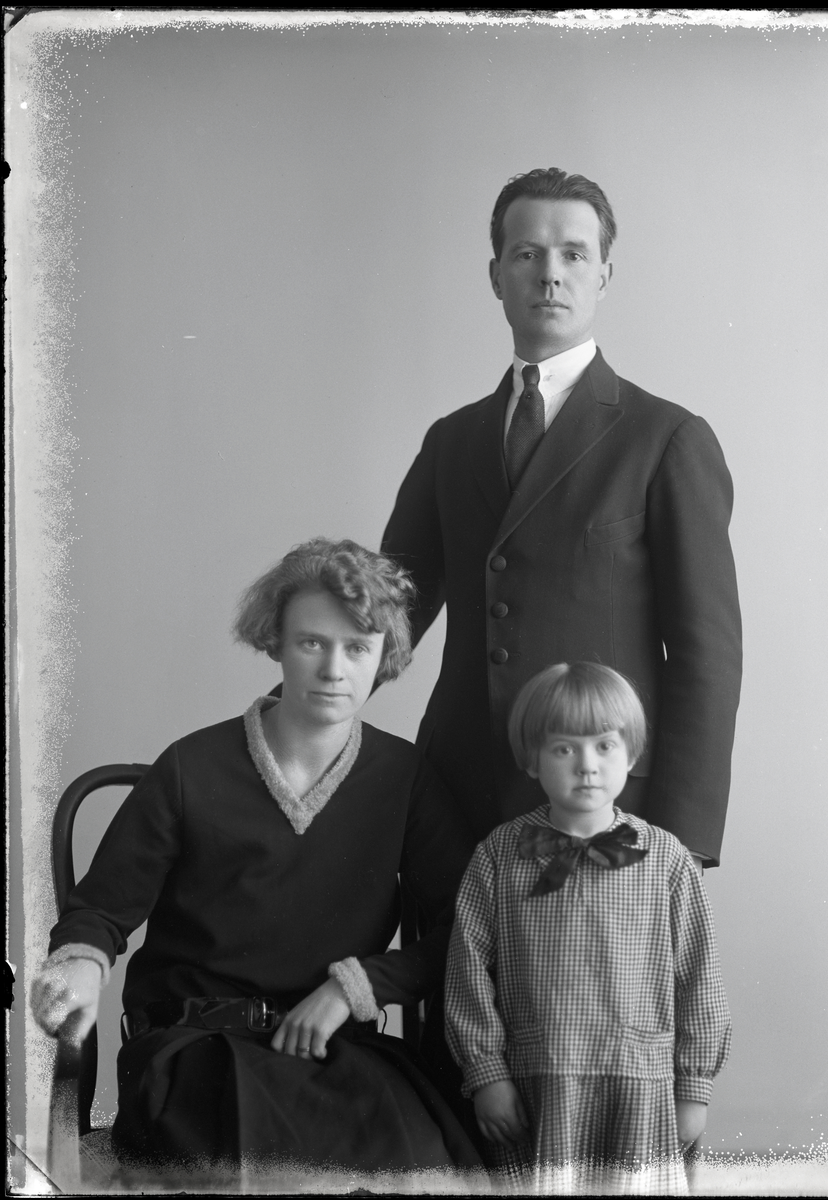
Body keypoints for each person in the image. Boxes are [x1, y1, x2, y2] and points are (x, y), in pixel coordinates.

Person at [30, 538, 482, 1182]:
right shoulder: (190, 767)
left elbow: (467, 929)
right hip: (194, 1053)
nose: (334, 669)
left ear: (384, 655)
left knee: (426, 1172)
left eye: (357, 648)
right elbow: (101, 910)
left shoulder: (404, 777)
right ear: (275, 641)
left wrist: (357, 987)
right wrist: (79, 963)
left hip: (335, 1051)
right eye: (312, 643)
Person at [382, 167, 742, 869]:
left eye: (573, 254)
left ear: (603, 275)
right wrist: (285, 718)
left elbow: (708, 655)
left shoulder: (666, 438)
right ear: (496, 276)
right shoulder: (451, 441)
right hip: (453, 803)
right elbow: (386, 614)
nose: (550, 274)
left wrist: (678, 842)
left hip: (604, 811)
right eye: (527, 254)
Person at [445, 662, 731, 1195]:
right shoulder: (499, 856)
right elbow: (467, 972)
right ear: (531, 759)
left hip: (643, 1091)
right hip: (538, 1089)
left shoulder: (666, 859)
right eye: (563, 749)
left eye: (604, 746)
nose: (587, 766)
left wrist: (694, 1086)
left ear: (631, 754)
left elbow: (700, 979)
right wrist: (486, 1074)